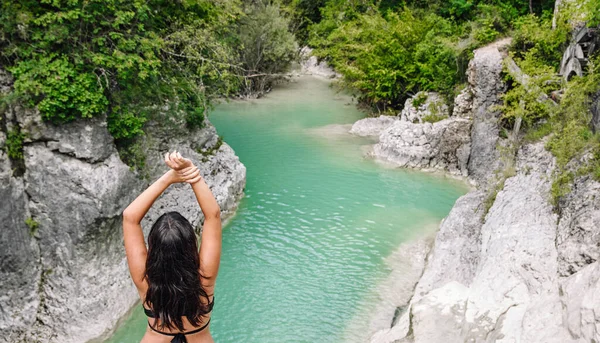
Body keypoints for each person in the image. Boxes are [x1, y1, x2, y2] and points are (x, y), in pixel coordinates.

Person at [122, 151, 222, 343]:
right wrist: (191, 174)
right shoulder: (204, 277)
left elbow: (130, 217)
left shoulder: (146, 280)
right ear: (191, 246)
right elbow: (213, 215)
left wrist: (169, 178)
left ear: (153, 248)